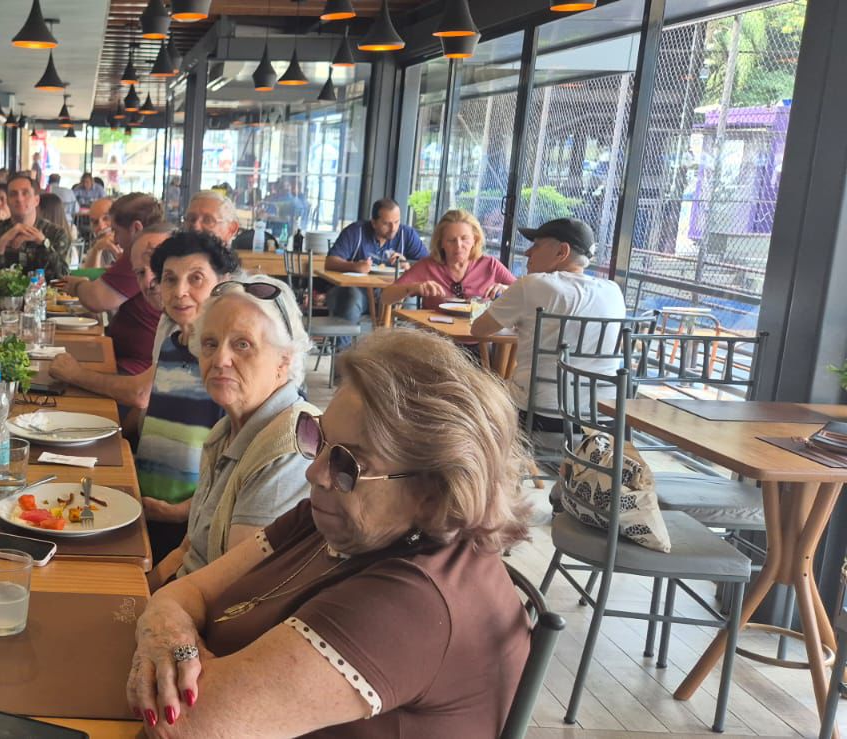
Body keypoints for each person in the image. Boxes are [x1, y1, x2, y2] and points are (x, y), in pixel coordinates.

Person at [126, 329, 533, 736]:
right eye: (318, 438)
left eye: (348, 464)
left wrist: (177, 658)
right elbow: (188, 591)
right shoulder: (332, 520)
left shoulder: (416, 603)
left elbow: (191, 725)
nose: (315, 472)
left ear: (432, 493)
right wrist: (168, 635)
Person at [151, 274, 316, 587]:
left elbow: (237, 589)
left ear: (284, 360)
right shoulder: (224, 431)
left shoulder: (290, 448)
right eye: (210, 344)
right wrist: (135, 596)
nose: (220, 359)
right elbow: (188, 550)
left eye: (242, 344)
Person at [136, 232, 239, 561]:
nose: (180, 292)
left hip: (190, 524)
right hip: (145, 505)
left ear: (222, 283)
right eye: (170, 279)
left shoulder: (225, 364)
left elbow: (238, 457)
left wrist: (183, 511)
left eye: (196, 279)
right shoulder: (171, 345)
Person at [471, 217, 627, 431]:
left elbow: (479, 329)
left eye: (536, 245)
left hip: (540, 414)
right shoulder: (614, 291)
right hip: (603, 418)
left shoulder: (531, 284)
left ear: (562, 251)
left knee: (476, 396)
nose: (527, 252)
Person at [54, 193, 167, 382]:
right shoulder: (154, 250)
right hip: (126, 358)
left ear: (136, 228)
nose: (115, 239)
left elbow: (97, 300)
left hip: (136, 369)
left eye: (116, 231)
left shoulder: (142, 254)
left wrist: (77, 285)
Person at [379, 209, 516, 311]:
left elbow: (523, 294)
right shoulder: (428, 266)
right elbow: (385, 297)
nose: (459, 246)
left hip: (478, 337)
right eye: (451, 240)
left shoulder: (490, 265)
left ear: (475, 239)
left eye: (465, 239)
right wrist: (413, 288)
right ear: (441, 243)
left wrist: (506, 289)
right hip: (435, 337)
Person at [327, 199, 429, 323]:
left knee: (411, 297)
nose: (393, 228)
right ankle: (346, 336)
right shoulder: (356, 231)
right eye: (386, 223)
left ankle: (403, 335)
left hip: (395, 292)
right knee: (352, 298)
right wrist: (354, 266)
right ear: (374, 223)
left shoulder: (407, 234)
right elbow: (330, 261)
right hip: (359, 291)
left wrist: (407, 264)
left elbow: (428, 265)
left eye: (396, 222)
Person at [0, 173, 73, 281]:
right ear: (8, 201)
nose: (19, 198)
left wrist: (43, 243)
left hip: (45, 292)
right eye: (13, 194)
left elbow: (63, 278)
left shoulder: (55, 234)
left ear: (36, 200)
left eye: (25, 193)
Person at [81, 197, 118, 269]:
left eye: (106, 218)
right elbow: (90, 274)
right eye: (95, 222)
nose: (101, 226)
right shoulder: (98, 245)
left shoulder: (134, 244)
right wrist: (97, 250)